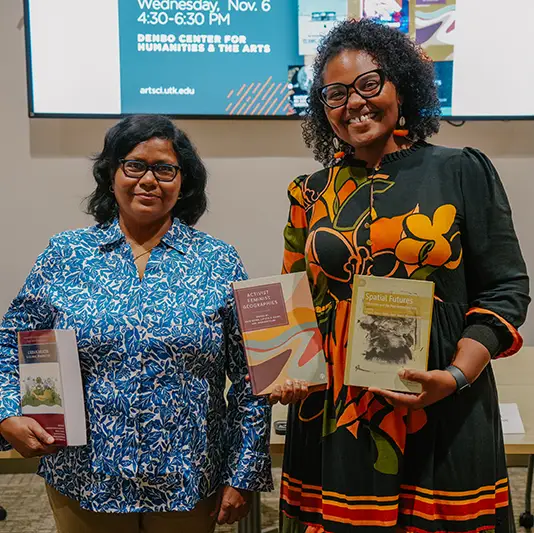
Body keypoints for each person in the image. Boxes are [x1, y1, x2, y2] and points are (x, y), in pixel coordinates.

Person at [274, 19, 530, 533]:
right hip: (335, 418)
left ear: (402, 86)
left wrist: (455, 376)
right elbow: (293, 298)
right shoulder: (309, 192)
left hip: (444, 409)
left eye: (370, 84)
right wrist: (288, 367)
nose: (354, 103)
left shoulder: (460, 170)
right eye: (336, 93)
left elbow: (506, 290)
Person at [0, 115, 273, 533]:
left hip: (189, 481)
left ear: (183, 183)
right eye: (134, 165)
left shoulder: (218, 260)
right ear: (111, 175)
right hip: (86, 478)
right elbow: (10, 343)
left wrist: (243, 473)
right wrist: (7, 414)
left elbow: (252, 376)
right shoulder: (67, 254)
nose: (149, 180)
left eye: (165, 169)